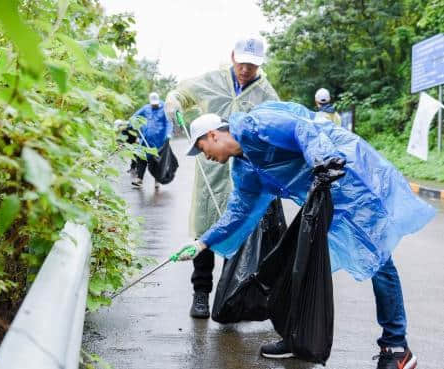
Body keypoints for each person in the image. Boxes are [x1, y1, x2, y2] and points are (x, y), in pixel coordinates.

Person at [171, 102, 435, 369]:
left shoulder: (256, 125)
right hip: (322, 197)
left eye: (202, 148)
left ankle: (397, 347)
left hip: (350, 179)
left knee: (379, 261)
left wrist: (323, 161)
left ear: (213, 135)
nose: (205, 157)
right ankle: (297, 337)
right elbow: (237, 213)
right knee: (298, 264)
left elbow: (302, 129)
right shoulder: (244, 169)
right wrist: (202, 243)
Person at [164, 37, 281, 318]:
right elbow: (181, 94)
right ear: (232, 57)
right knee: (205, 228)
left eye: (252, 66)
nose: (245, 70)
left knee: (240, 229)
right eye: (242, 63)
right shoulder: (213, 80)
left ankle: (230, 295)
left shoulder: (266, 94)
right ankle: (201, 293)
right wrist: (173, 101)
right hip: (212, 169)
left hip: (246, 172)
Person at [130, 92, 173, 189]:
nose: (155, 105)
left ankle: (157, 180)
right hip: (146, 139)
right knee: (142, 159)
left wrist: (169, 134)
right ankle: (139, 179)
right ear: (150, 102)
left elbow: (169, 122)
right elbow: (134, 117)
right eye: (153, 104)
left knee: (156, 160)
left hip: (159, 141)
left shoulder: (164, 108)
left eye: (156, 104)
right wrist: (133, 122)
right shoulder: (146, 108)